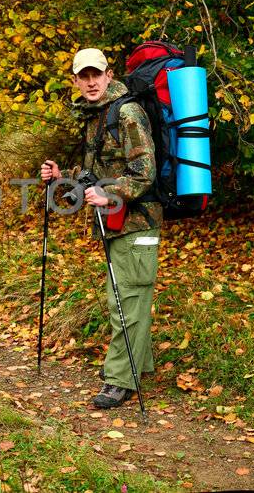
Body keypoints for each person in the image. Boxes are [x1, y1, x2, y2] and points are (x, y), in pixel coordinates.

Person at [39, 47, 160, 410]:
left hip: (138, 223)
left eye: (97, 74)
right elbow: (100, 171)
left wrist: (108, 194)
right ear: (75, 81)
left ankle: (120, 380)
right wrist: (65, 177)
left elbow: (144, 173)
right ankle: (139, 367)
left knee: (126, 301)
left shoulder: (127, 112)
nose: (91, 82)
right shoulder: (98, 114)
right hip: (118, 223)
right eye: (84, 76)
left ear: (109, 74)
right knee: (127, 298)